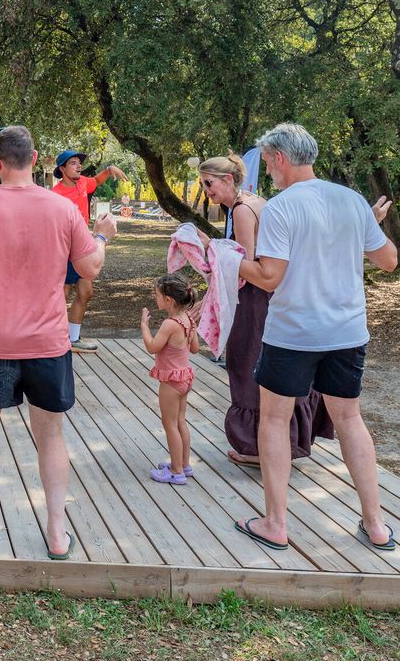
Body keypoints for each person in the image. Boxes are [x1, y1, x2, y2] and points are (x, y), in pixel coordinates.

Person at [0, 126, 116, 560]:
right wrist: (103, 234)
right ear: (34, 158)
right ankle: (56, 534)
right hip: (49, 344)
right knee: (50, 435)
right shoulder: (63, 208)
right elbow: (90, 268)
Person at [232, 123, 397, 553]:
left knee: (273, 420)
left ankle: (275, 523)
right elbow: (389, 261)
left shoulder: (282, 207)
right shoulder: (352, 201)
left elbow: (268, 278)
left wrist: (229, 259)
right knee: (350, 420)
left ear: (281, 159)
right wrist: (358, 233)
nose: (267, 171)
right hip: (347, 333)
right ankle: (377, 525)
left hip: (293, 334)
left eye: (267, 162)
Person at [198, 153, 332, 466]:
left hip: (256, 301)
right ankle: (282, 441)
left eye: (209, 184)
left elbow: (251, 262)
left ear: (228, 179)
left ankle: (259, 448)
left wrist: (209, 247)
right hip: (277, 299)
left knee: (247, 363)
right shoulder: (255, 201)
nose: (207, 191)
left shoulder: (242, 211)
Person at [51, 149, 128, 352]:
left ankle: (73, 339)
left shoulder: (84, 182)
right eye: (73, 163)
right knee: (62, 295)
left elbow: (98, 179)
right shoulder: (54, 195)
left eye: (79, 163)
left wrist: (111, 169)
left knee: (86, 292)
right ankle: (54, 340)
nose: (78, 166)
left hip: (83, 246)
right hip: (65, 250)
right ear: (62, 168)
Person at [140, 274, 199, 485]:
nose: (155, 298)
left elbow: (152, 347)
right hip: (185, 378)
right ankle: (184, 463)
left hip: (172, 382)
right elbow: (195, 348)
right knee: (180, 421)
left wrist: (145, 327)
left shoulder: (169, 323)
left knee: (169, 424)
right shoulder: (188, 319)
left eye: (156, 295)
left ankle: (175, 471)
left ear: (168, 300)